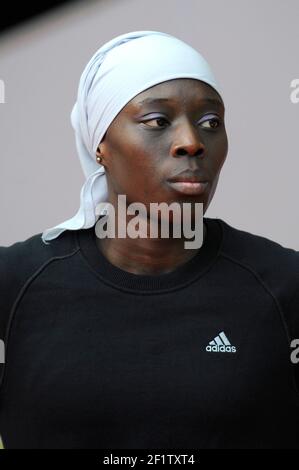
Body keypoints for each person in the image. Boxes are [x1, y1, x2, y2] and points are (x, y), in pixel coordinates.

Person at [0, 30, 298, 450]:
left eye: (210, 123)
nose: (192, 142)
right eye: (157, 121)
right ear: (100, 142)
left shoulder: (285, 285)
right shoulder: (13, 286)